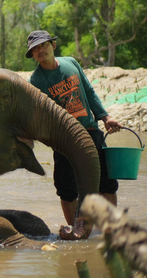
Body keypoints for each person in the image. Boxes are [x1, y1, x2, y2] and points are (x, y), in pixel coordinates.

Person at [26, 30, 123, 239]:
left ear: (53, 45)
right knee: (67, 188)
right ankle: (75, 230)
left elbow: (88, 91)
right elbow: (39, 117)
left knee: (106, 181)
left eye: (43, 45)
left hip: (90, 130)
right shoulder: (36, 81)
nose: (40, 50)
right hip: (64, 141)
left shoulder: (71, 62)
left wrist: (105, 118)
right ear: (33, 55)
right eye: (35, 49)